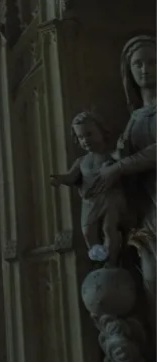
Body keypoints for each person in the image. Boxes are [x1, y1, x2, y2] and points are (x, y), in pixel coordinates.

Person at [88, 36, 156, 324]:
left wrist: (119, 168)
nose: (145, 70)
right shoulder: (136, 117)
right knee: (151, 279)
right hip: (145, 212)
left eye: (152, 62)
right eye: (137, 64)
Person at [50, 112, 132, 264]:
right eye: (81, 137)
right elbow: (71, 177)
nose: (85, 140)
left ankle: (112, 261)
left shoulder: (110, 155)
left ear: (102, 132)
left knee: (109, 228)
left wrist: (120, 150)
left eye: (89, 134)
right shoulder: (82, 161)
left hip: (110, 197)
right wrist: (60, 179)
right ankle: (100, 259)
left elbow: (122, 162)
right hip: (90, 202)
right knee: (88, 232)